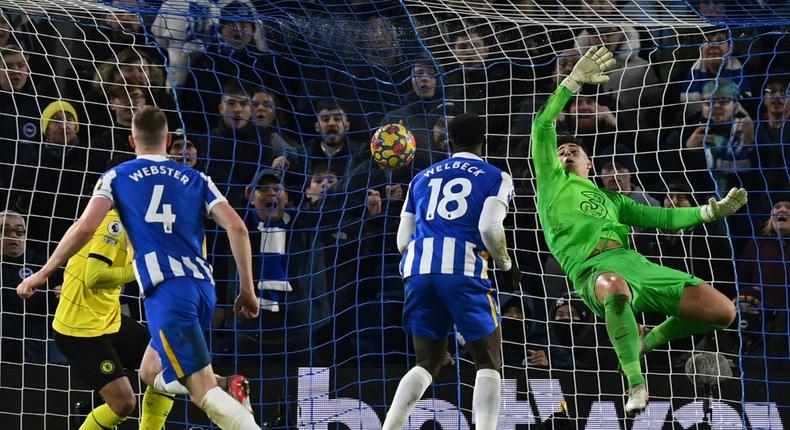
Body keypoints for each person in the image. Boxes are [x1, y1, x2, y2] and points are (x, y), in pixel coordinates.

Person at [17, 106, 261, 429]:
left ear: (132, 140)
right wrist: (247, 290)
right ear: (169, 139)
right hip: (203, 289)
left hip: (167, 294)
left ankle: (244, 420)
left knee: (201, 390)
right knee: (150, 370)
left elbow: (84, 228)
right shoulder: (197, 178)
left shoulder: (117, 177)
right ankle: (226, 386)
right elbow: (239, 229)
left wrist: (44, 272)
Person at [531, 46, 744, 416]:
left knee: (724, 312)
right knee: (613, 286)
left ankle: (648, 340)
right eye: (562, 150)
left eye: (574, 150)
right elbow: (543, 125)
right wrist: (570, 83)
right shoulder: (550, 181)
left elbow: (662, 218)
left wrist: (710, 211)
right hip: (593, 272)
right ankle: (635, 381)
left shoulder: (612, 200)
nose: (566, 152)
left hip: (634, 264)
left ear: (589, 163)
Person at [381, 113, 521, 430]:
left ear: (449, 141)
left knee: (426, 363)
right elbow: (489, 227)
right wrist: (506, 264)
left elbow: (403, 241)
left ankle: (389, 427)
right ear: (483, 141)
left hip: (417, 270)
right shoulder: (496, 176)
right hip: (462, 269)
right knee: (488, 362)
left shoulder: (421, 178)